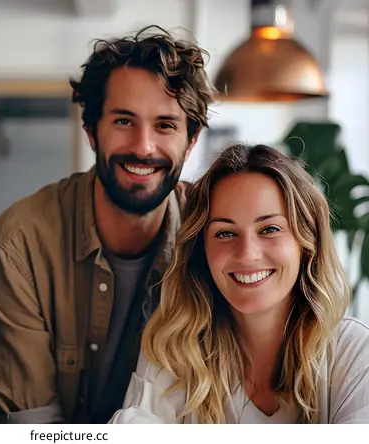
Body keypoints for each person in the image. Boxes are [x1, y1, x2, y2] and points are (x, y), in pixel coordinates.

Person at [0, 24, 216, 424]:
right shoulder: (16, 247)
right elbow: (34, 430)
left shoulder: (213, 235)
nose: (143, 146)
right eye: (124, 121)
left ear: (190, 142)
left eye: (165, 125)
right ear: (91, 131)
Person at [110, 143, 369, 424]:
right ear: (202, 251)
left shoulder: (354, 353)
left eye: (269, 229)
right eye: (225, 233)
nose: (247, 253)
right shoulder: (175, 345)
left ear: (307, 243)